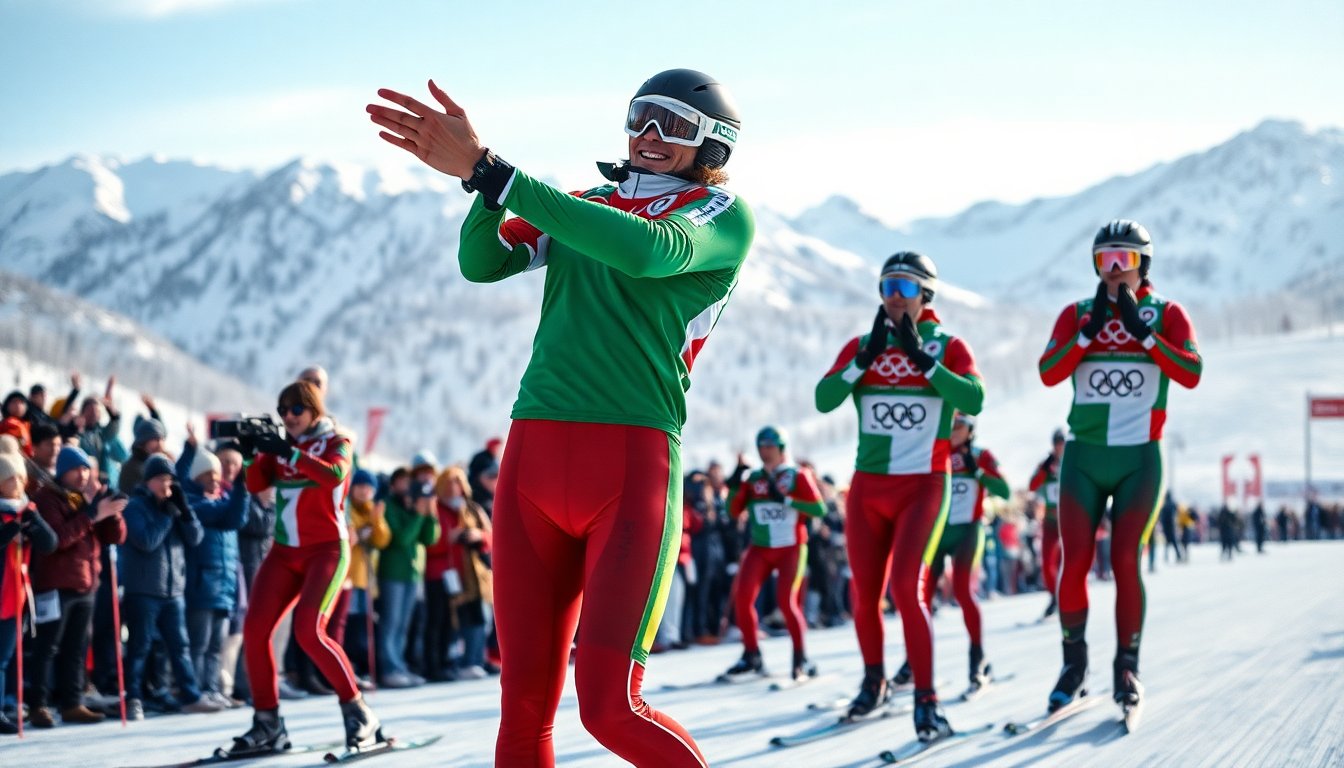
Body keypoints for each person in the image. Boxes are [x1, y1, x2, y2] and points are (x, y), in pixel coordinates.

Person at [368, 66, 752, 767]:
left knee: (610, 707)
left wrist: (496, 171)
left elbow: (644, 250)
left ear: (713, 147)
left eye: (672, 124)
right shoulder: (583, 204)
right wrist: (479, 187)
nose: (649, 134)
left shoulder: (721, 216)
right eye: (639, 116)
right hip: (533, 455)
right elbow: (482, 263)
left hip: (632, 463)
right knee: (521, 718)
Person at [815, 250, 984, 741]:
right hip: (868, 486)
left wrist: (924, 363)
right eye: (887, 285)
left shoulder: (948, 345)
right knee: (862, 595)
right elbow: (823, 400)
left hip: (923, 485)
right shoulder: (863, 344)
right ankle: (874, 682)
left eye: (906, 287)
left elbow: (973, 399)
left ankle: (927, 701)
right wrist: (861, 363)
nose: (894, 295)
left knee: (907, 589)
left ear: (926, 296)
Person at [1037, 219, 1202, 716]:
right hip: (1084, 457)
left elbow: (1191, 373)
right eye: (1103, 260)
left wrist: (1145, 335)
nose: (1112, 271)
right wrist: (1086, 335)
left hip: (1139, 459)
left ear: (1142, 265)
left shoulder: (1168, 313)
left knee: (1126, 558)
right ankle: (1073, 664)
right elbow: (1048, 373)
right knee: (1076, 563)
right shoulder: (1077, 313)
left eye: (1123, 260)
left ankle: (1126, 668)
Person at [231, 381, 380, 755]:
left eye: (296, 409)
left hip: (327, 551)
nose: (288, 416)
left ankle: (359, 713)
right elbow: (255, 485)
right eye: (283, 410)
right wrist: (250, 456)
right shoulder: (281, 446)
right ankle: (267, 724)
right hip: (284, 552)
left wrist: (290, 452)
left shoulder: (336, 440)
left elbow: (333, 475)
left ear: (314, 409)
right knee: (255, 629)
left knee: (309, 631)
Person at [892, 412, 1008, 696]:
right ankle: (912, 664)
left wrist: (977, 472)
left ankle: (978, 658)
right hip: (936, 534)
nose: (954, 430)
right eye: (951, 424)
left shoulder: (980, 454)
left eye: (961, 426)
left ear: (971, 430)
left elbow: (1004, 490)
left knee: (962, 592)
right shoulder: (934, 451)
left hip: (967, 531)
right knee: (919, 597)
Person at [28, 446, 127, 727]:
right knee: (48, 647)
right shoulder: (49, 498)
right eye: (77, 469)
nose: (83, 475)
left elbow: (115, 538)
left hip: (86, 584)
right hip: (55, 584)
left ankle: (72, 703)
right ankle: (39, 705)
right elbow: (58, 539)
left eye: (87, 469)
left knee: (77, 647)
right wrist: (92, 513)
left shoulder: (86, 500)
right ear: (64, 471)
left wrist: (111, 512)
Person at [121, 454, 225, 718]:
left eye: (169, 479)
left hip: (173, 589)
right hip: (143, 590)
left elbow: (196, 538)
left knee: (180, 646)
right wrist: (167, 517)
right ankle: (133, 698)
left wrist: (185, 512)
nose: (166, 485)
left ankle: (190, 696)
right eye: (160, 479)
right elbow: (146, 541)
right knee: (140, 647)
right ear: (148, 481)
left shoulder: (175, 504)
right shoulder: (136, 507)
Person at [721, 427, 825, 682]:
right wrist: (734, 485)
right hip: (760, 547)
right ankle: (751, 655)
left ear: (781, 448)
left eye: (770, 446)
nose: (765, 451)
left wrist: (787, 500)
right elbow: (733, 512)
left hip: (791, 547)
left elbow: (819, 509)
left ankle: (801, 658)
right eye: (761, 446)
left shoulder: (798, 475)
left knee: (787, 603)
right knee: (743, 599)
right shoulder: (753, 477)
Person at [178, 434, 249, 709]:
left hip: (224, 584)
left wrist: (242, 488)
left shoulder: (223, 501)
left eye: (217, 474)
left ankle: (210, 688)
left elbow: (236, 517)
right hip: (201, 583)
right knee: (199, 643)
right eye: (209, 474)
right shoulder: (195, 504)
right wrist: (189, 451)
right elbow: (225, 513)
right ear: (197, 477)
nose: (216, 479)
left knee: (215, 645)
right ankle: (195, 691)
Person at [0, 451, 58, 734]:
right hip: (2, 590)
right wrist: (11, 529)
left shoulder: (25, 507)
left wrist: (33, 521)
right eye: (12, 479)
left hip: (16, 594)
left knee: (7, 655)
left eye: (21, 478)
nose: (18, 484)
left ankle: (6, 704)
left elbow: (50, 543)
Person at [378, 462, 440, 688]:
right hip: (393, 572)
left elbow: (430, 538)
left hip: (413, 573)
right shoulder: (388, 506)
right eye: (401, 481)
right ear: (393, 485)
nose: (405, 486)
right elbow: (402, 539)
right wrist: (417, 515)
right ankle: (389, 667)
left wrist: (430, 515)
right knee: (391, 622)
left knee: (404, 624)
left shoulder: (413, 504)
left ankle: (399, 665)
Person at [1028, 428, 1066, 617]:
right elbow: (1033, 485)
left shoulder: (1073, 461)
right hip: (1051, 520)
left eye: (1062, 443)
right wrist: (1044, 469)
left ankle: (1069, 597)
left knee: (1068, 562)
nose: (1059, 447)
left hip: (1070, 519)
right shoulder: (1047, 464)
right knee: (1046, 562)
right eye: (1057, 443)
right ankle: (1054, 596)